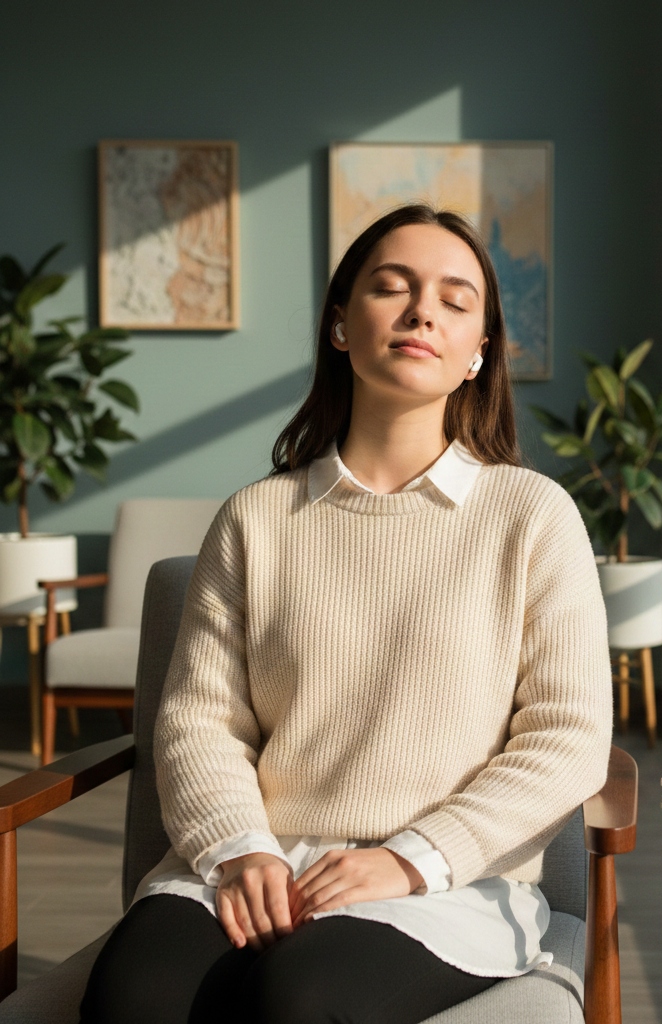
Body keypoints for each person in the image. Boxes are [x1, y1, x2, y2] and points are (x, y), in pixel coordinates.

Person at [79, 203, 612, 1024]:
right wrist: (238, 847)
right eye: (390, 287)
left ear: (479, 354)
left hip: (445, 884)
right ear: (339, 326)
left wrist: (410, 859)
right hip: (256, 860)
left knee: (300, 998)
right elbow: (199, 722)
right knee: (133, 997)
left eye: (455, 299)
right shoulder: (255, 519)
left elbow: (569, 739)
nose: (421, 310)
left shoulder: (532, 517)